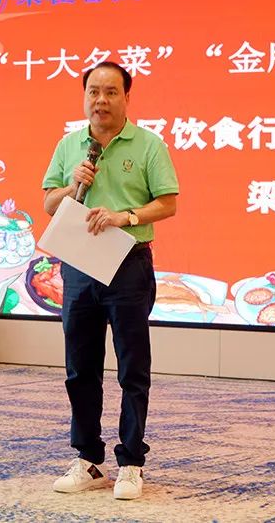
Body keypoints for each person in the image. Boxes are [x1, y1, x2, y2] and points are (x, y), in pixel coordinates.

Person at [42, 61, 179, 500]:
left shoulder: (148, 145)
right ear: (85, 97)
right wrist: (71, 187)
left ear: (126, 97)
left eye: (111, 92)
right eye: (93, 92)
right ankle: (88, 460)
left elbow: (168, 202)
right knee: (80, 368)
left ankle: (131, 462)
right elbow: (48, 203)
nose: (101, 100)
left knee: (132, 368)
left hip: (128, 262)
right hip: (79, 264)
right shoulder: (69, 146)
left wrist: (126, 216)